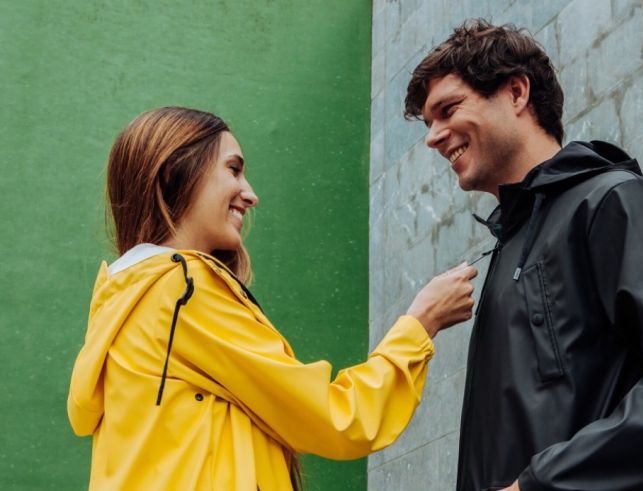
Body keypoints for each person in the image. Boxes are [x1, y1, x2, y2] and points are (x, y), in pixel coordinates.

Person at [404, 20, 643, 491]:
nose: (433, 137)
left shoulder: (614, 201)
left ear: (517, 92)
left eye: (448, 109)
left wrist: (539, 486)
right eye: (428, 123)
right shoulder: (510, 244)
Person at [67, 106, 478, 490]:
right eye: (233, 170)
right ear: (176, 172)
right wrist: (421, 324)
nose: (250, 194)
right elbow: (340, 418)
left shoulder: (126, 299)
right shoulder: (181, 289)